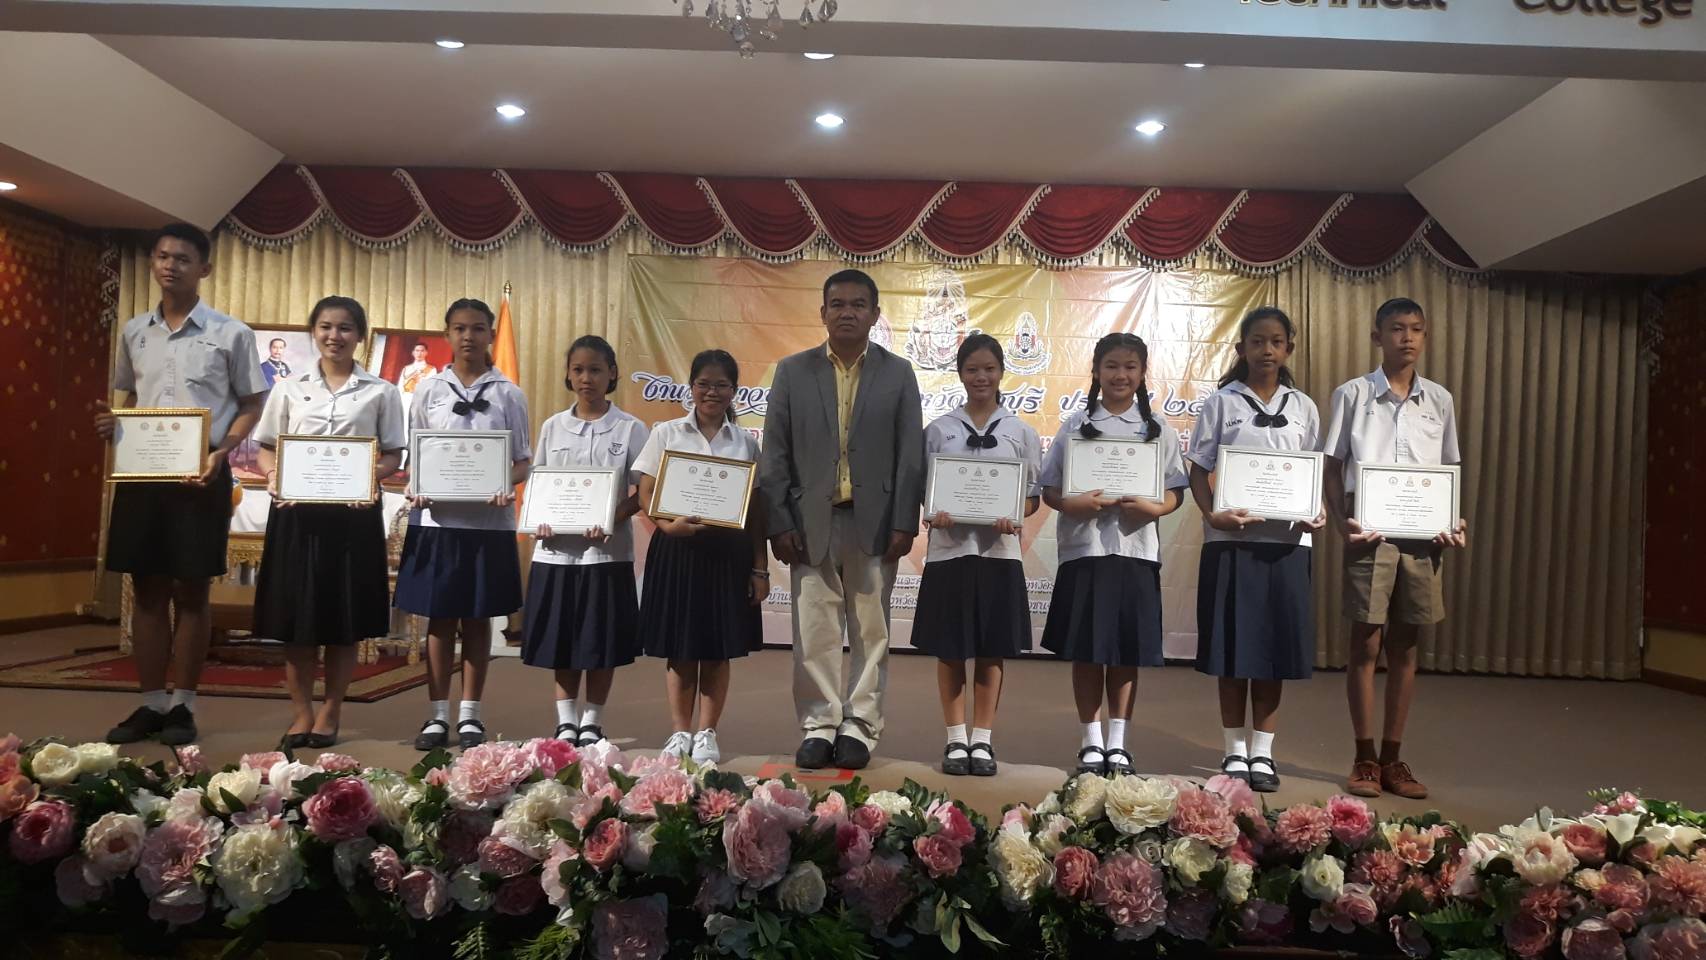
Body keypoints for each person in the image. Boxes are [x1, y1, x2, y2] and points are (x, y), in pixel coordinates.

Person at [96, 222, 269, 746]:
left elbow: (252, 403)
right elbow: (130, 399)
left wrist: (223, 451)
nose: (170, 266)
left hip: (202, 473)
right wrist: (114, 425)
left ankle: (184, 706)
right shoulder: (134, 331)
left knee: (192, 590)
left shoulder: (231, 333)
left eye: (183, 259)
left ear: (204, 268)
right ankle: (151, 703)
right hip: (144, 474)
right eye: (162, 256)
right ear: (153, 262)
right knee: (146, 590)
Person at [759, 269, 925, 771]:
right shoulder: (792, 371)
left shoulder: (898, 373)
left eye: (858, 304)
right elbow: (775, 452)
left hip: (875, 521)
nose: (847, 312)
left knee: (872, 629)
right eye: (837, 304)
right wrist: (778, 521)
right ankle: (819, 724)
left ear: (875, 314)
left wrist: (905, 520)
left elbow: (910, 455)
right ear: (822, 312)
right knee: (814, 630)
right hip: (810, 520)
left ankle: (860, 726)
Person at [1324, 297, 1467, 800]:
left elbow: (1448, 470)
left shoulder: (1440, 400)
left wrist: (1452, 521)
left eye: (1416, 329)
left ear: (1425, 337)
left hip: (1424, 538)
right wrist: (1342, 526)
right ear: (1377, 336)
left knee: (1406, 644)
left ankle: (1393, 757)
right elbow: (1333, 466)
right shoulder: (1352, 394)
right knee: (1365, 642)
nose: (1407, 338)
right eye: (1396, 329)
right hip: (1372, 535)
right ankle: (1364, 755)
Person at [252, 296, 404, 749]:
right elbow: (266, 449)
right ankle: (301, 712)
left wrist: (368, 476)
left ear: (359, 335)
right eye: (325, 326)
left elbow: (393, 455)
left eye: (344, 328)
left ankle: (332, 709)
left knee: (343, 620)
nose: (334, 336)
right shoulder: (288, 389)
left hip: (353, 519)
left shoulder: (381, 391)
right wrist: (273, 475)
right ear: (313, 331)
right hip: (296, 517)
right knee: (296, 620)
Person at [1186, 307, 1323, 793]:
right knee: (1233, 649)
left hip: (1287, 547)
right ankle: (1233, 750)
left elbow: (1312, 473)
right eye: (1258, 341)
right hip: (1232, 544)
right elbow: (1198, 470)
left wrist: (1315, 511)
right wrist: (1212, 515)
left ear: (1289, 348)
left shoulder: (1304, 407)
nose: (1267, 350)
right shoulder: (1221, 403)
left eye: (1276, 341)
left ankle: (1263, 751)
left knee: (1272, 649)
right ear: (1241, 348)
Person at [1040, 332, 1188, 776]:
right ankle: (1091, 741)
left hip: (1135, 551)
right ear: (1096, 371)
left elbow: (1175, 491)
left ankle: (1119, 743)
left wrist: (1156, 509)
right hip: (1085, 550)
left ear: (1142, 373)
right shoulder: (1075, 425)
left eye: (1130, 367)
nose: (1120, 375)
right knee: (1087, 650)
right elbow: (1050, 488)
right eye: (1111, 366)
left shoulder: (1157, 428)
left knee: (1126, 649)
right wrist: (1072, 504)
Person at [397, 299, 532, 751]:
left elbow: (522, 461)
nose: (468, 336)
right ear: (447, 334)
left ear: (491, 333)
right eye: (459, 328)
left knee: (477, 617)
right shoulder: (428, 390)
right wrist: (417, 486)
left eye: (477, 328)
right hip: (438, 522)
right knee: (440, 617)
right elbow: (418, 455)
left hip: (489, 525)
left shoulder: (509, 393)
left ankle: (471, 714)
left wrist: (504, 483)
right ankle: (437, 716)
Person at [914, 334, 1042, 777]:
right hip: (949, 554)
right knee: (950, 650)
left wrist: (1015, 513)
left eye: (989, 368)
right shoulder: (938, 430)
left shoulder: (1021, 432)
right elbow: (925, 490)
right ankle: (955, 738)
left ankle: (982, 740)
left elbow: (1032, 497)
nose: (981, 377)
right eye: (972, 369)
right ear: (960, 374)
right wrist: (935, 512)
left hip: (999, 555)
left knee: (992, 649)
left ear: (1002, 372)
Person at [634, 349, 767, 766]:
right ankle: (680, 731)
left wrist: (760, 568)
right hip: (676, 549)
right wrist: (666, 524)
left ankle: (707, 732)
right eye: (704, 384)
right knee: (681, 647)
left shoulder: (745, 442)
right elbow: (645, 492)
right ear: (691, 387)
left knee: (717, 647)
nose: (712, 392)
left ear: (734, 391)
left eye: (721, 385)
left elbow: (756, 512)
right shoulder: (666, 433)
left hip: (727, 554)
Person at [523, 335, 650, 747]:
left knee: (600, 639)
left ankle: (592, 720)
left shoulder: (630, 428)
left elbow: (644, 493)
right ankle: (565, 720)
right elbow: (540, 485)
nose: (586, 378)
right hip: (556, 554)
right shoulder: (553, 426)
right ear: (568, 374)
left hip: (606, 554)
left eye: (595, 370)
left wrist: (610, 517)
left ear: (611, 373)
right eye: (578, 369)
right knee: (561, 638)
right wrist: (540, 520)